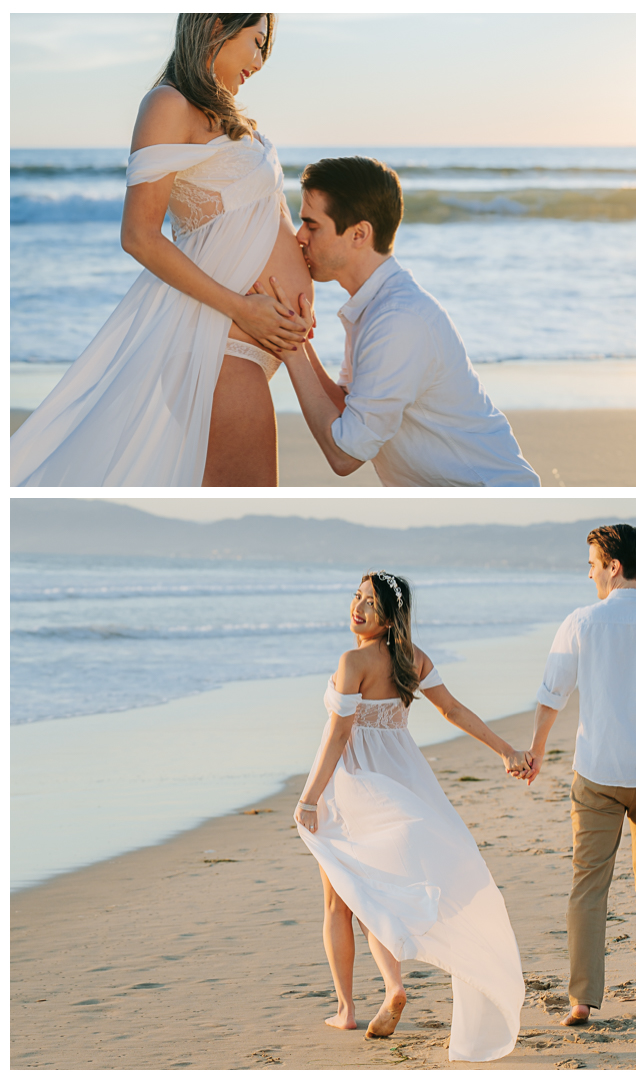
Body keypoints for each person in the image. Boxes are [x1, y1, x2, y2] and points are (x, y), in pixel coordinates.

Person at [11, 13, 311, 488]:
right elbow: (139, 236)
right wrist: (245, 311)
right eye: (256, 43)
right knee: (248, 514)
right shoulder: (168, 103)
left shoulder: (225, 114)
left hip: (240, 343)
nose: (259, 60)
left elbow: (261, 220)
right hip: (220, 342)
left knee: (239, 511)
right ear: (216, 24)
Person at [294, 571, 528, 1062]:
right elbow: (454, 710)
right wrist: (504, 750)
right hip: (403, 781)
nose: (357, 608)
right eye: (356, 597)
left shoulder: (352, 661)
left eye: (370, 604)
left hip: (354, 783)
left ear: (388, 616)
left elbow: (338, 737)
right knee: (372, 889)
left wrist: (310, 797)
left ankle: (347, 1007)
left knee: (341, 900)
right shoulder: (412, 659)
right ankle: (391, 986)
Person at [514, 524, 636, 1026]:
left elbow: (550, 696)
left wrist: (535, 753)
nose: (590, 574)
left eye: (592, 564)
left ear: (614, 567)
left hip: (598, 772)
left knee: (588, 885)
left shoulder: (581, 622)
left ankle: (582, 998)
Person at [257, 155, 540, 487]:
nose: (300, 236)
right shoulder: (374, 306)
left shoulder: (398, 321)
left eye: (312, 224)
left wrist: (290, 349)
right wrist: (299, 339)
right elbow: (350, 411)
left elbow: (345, 455)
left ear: (359, 234)